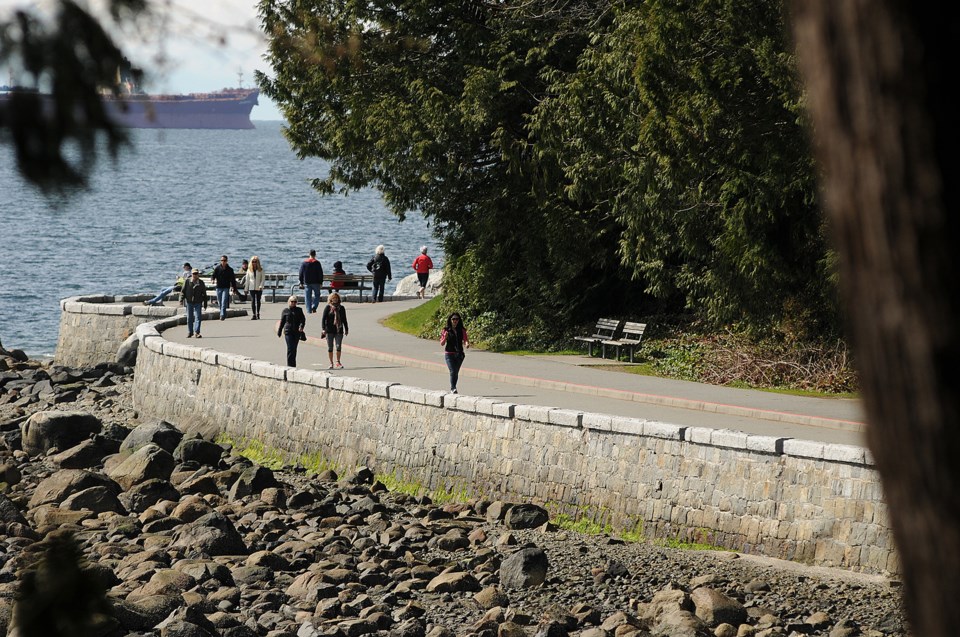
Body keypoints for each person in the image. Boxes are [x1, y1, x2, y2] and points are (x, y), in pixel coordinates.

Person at [440, 312, 469, 393]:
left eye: (457, 319)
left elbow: (465, 339)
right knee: (453, 370)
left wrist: (467, 344)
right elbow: (442, 343)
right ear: (450, 320)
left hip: (459, 354)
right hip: (449, 354)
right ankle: (453, 388)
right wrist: (445, 338)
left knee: (455, 371)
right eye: (453, 319)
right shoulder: (446, 330)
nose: (455, 321)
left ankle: (453, 387)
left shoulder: (462, 330)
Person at [320, 292, 349, 369]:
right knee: (330, 347)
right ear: (331, 299)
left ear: (338, 299)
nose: (335, 300)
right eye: (333, 298)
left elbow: (344, 319)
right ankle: (331, 363)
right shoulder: (328, 308)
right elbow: (323, 319)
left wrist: (346, 329)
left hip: (339, 330)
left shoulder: (341, 308)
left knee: (338, 346)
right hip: (329, 330)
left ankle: (338, 362)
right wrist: (323, 329)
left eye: (336, 298)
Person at [276, 295, 306, 367]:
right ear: (289, 302)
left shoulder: (299, 310)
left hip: (296, 332)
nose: (293, 303)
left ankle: (293, 364)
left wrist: (301, 326)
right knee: (290, 348)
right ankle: (289, 365)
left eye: (295, 302)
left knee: (294, 348)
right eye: (292, 302)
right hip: (288, 331)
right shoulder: (285, 311)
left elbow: (303, 320)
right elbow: (282, 321)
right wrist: (279, 331)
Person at [180, 268, 208, 339]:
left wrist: (205, 304)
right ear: (191, 274)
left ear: (198, 274)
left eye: (196, 274)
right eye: (193, 274)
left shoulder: (201, 283)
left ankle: (197, 332)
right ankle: (190, 332)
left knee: (198, 317)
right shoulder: (187, 281)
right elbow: (183, 291)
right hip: (189, 302)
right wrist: (181, 299)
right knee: (189, 318)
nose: (195, 275)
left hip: (198, 302)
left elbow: (204, 294)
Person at [211, 255, 238, 320]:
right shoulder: (217, 268)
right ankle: (223, 313)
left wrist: (234, 288)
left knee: (223, 302)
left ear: (227, 261)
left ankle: (222, 315)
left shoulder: (230, 270)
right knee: (220, 302)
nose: (223, 262)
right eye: (222, 260)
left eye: (224, 260)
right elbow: (213, 275)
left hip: (226, 287)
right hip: (218, 287)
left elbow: (232, 280)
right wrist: (213, 279)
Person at [299, 249, 324, 314]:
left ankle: (308, 310)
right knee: (317, 295)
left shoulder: (304, 263)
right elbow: (320, 273)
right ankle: (314, 306)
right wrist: (321, 282)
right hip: (316, 282)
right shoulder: (317, 263)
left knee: (307, 297)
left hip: (307, 282)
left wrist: (301, 282)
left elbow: (301, 273)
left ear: (309, 254)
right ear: (315, 254)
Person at [244, 255, 265, 320]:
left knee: (258, 301)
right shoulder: (249, 270)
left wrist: (261, 285)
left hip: (259, 287)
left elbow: (263, 279)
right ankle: (254, 314)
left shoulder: (261, 270)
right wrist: (246, 289)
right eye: (253, 261)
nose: (254, 263)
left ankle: (258, 313)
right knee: (253, 301)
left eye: (255, 262)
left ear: (257, 262)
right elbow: (247, 280)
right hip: (251, 287)